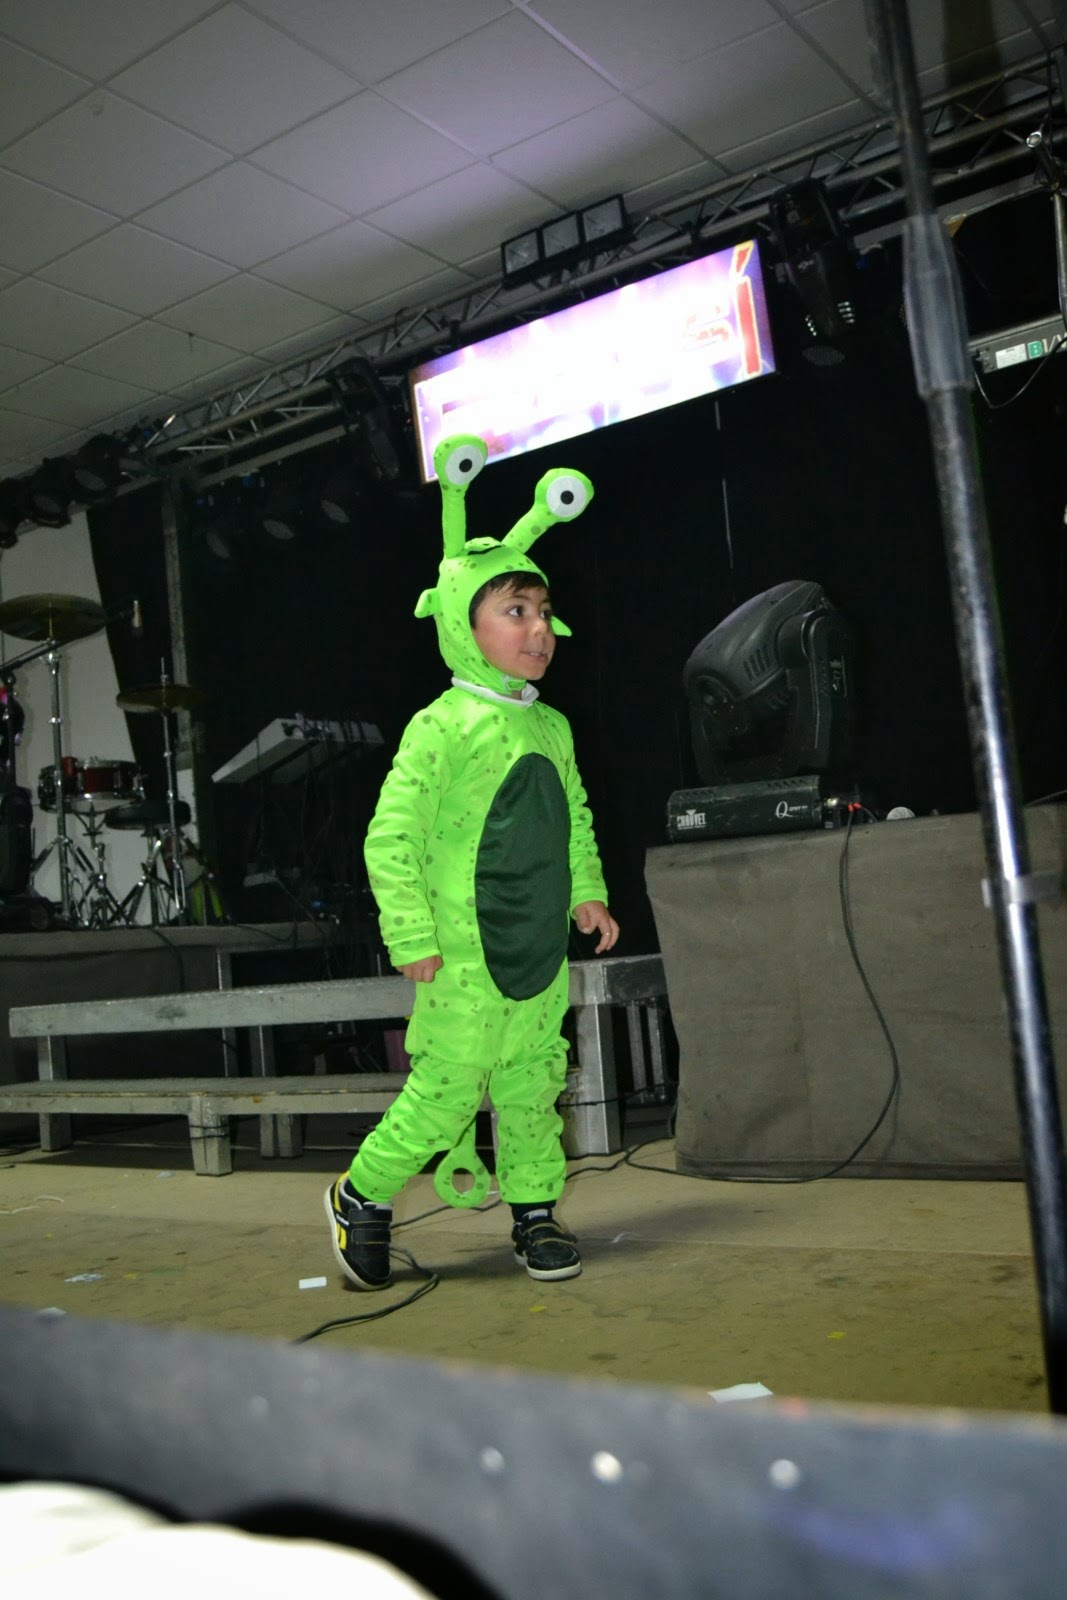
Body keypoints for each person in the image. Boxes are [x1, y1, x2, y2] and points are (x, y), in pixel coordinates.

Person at [325, 434, 618, 1290]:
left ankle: (534, 1214)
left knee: (532, 1084)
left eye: (542, 611)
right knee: (448, 1090)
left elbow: (573, 818)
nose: (538, 629)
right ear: (462, 623)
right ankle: (362, 1195)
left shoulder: (551, 727)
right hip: (459, 952)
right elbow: (390, 836)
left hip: (535, 949)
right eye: (514, 611)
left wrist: (588, 892)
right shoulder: (440, 725)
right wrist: (410, 932)